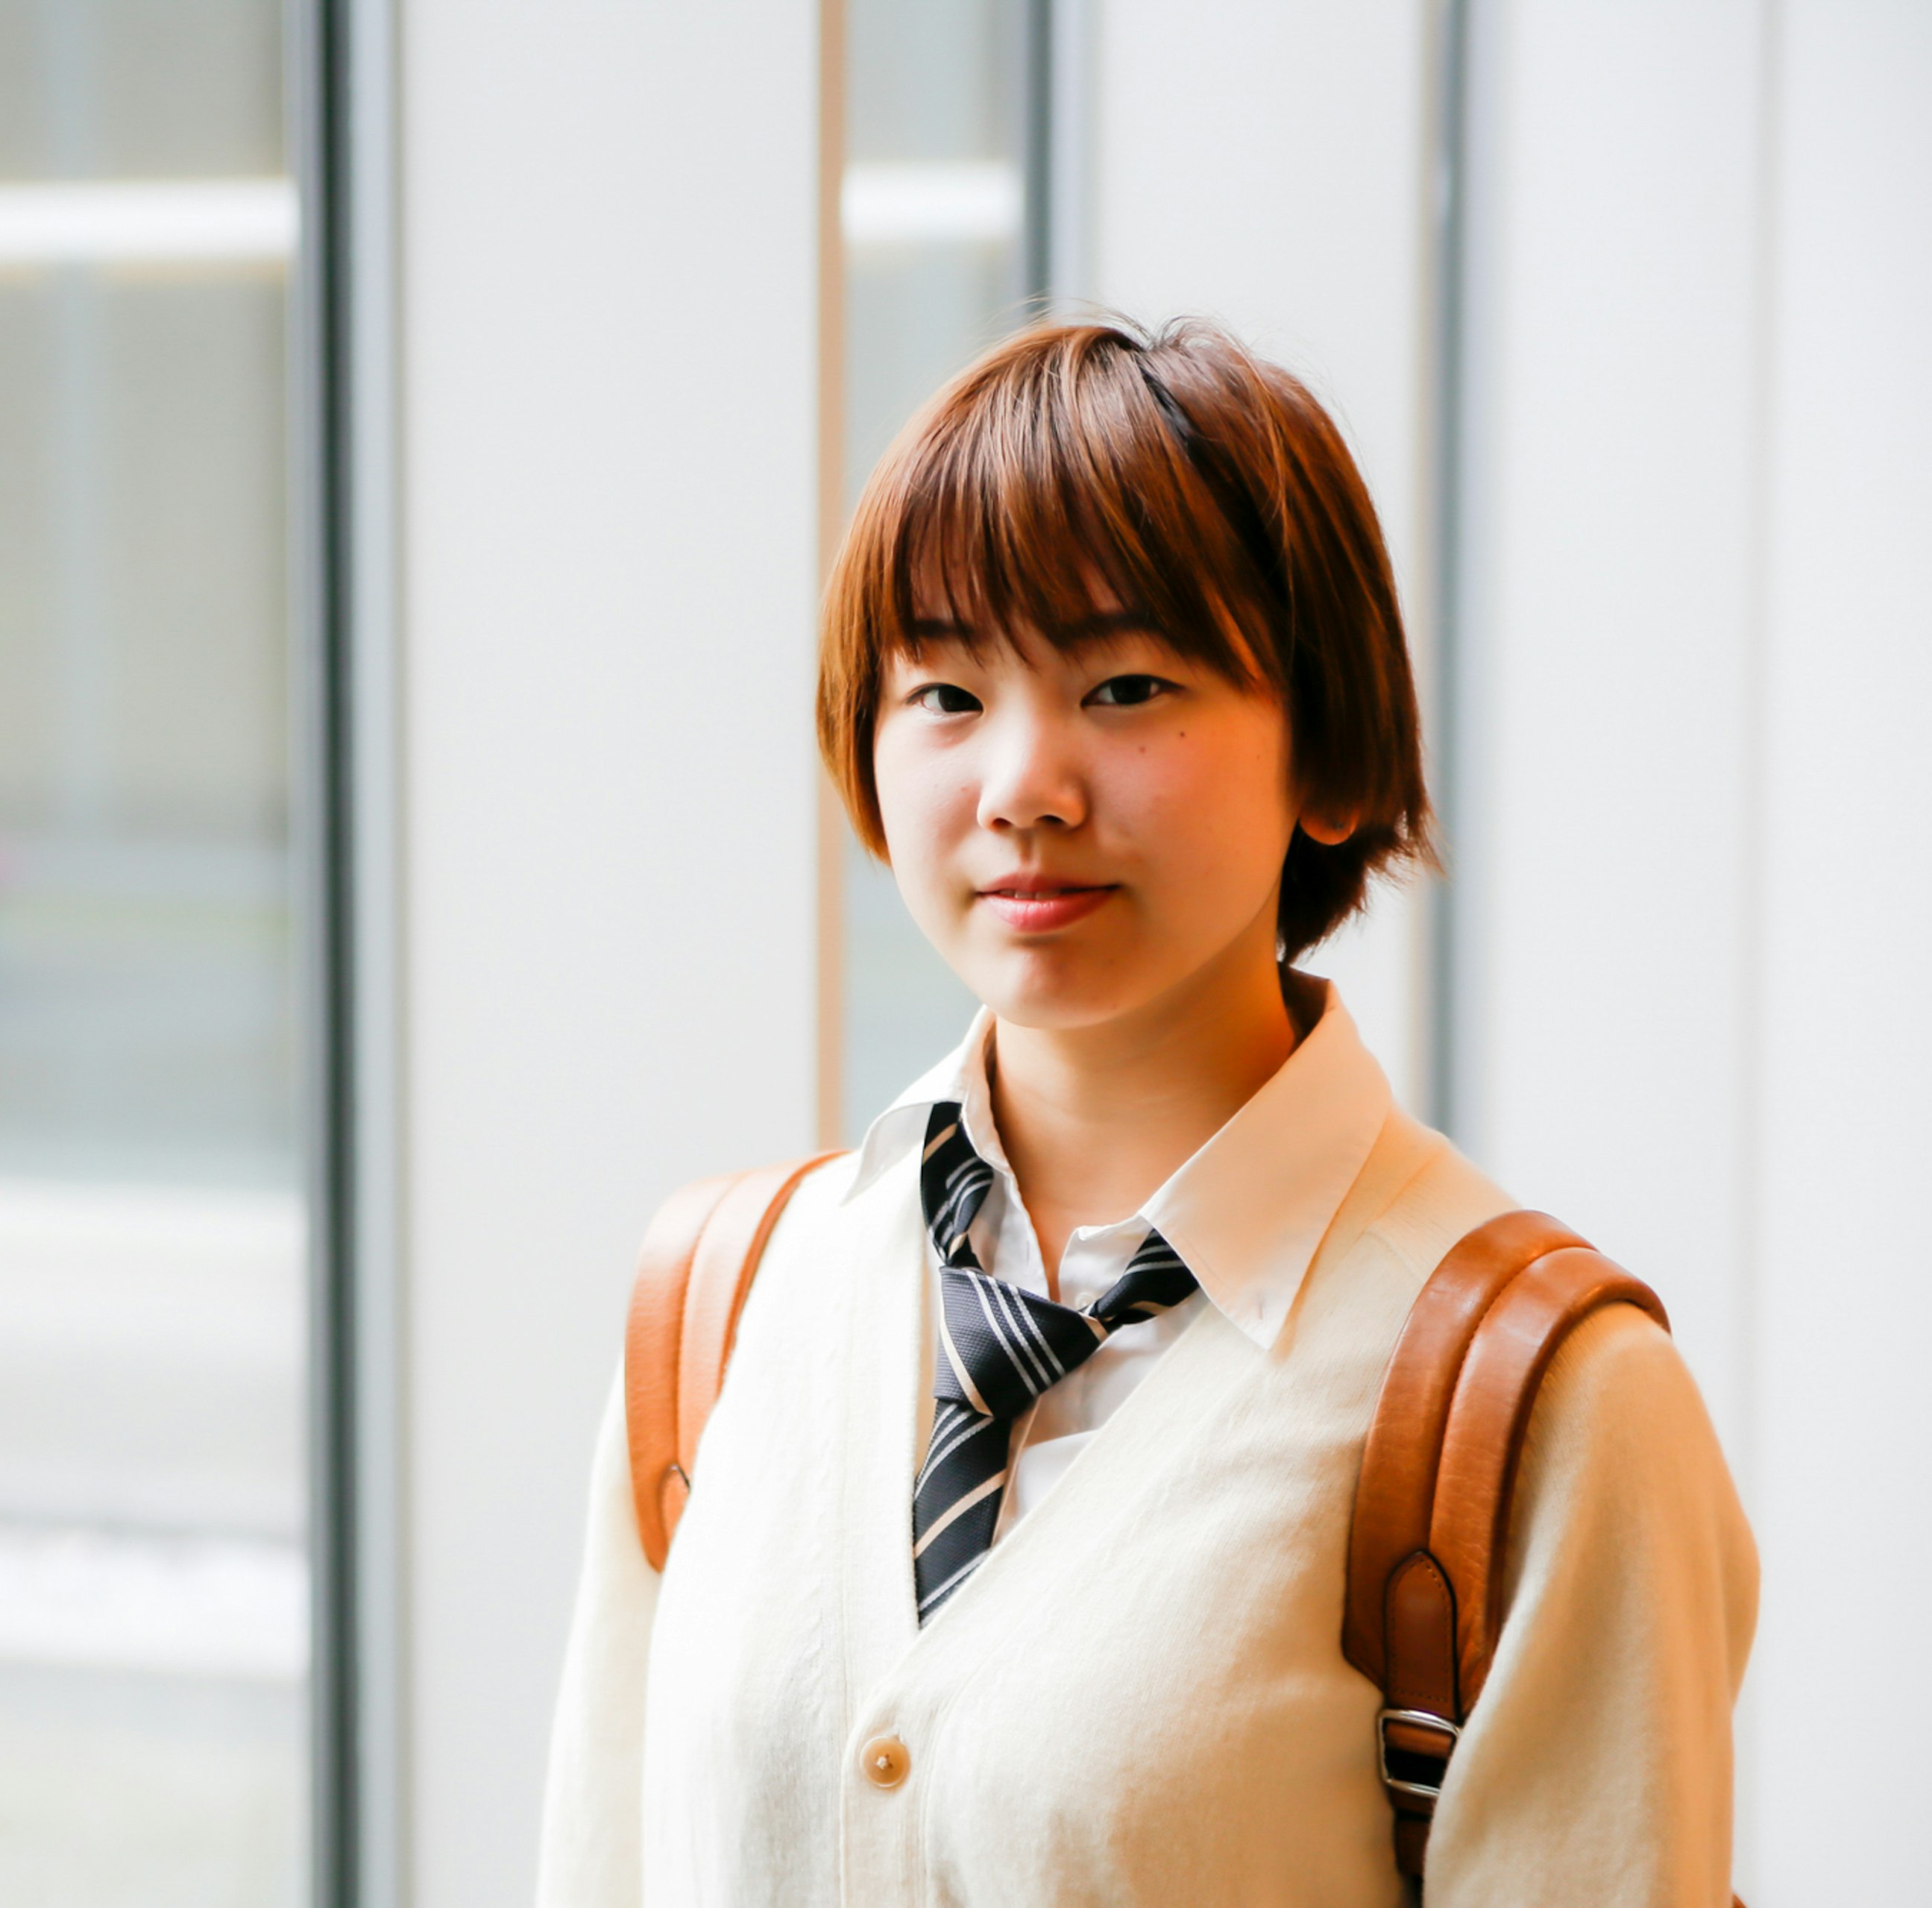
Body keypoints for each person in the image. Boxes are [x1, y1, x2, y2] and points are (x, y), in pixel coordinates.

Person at [535, 318, 1755, 1906]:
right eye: (949, 693)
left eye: (1126, 685)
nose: (1024, 785)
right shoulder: (719, 1301)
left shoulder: (1543, 1405)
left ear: (1325, 749)